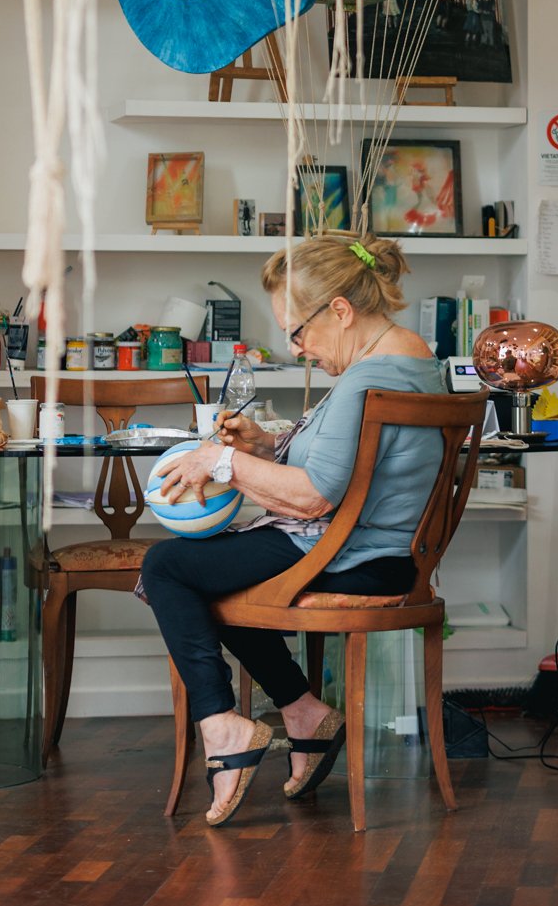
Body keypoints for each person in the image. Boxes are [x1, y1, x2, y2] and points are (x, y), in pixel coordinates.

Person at [140, 233, 445, 827]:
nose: (296, 348)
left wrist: (220, 462)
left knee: (169, 567)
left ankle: (223, 725)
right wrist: (266, 446)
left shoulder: (368, 377)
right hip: (381, 550)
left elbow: (311, 499)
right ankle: (303, 712)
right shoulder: (412, 364)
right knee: (210, 576)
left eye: (298, 331)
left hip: (349, 554)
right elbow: (348, 466)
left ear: (339, 309)